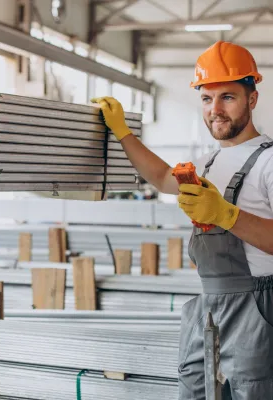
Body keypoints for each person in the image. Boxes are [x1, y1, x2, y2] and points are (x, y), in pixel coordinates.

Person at [91, 40, 273, 399]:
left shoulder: (269, 162)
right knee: (194, 390)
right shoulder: (205, 164)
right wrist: (123, 133)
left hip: (258, 307)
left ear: (252, 98)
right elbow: (160, 177)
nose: (215, 110)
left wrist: (225, 214)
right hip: (208, 302)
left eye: (228, 97)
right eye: (206, 99)